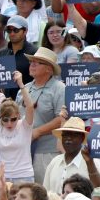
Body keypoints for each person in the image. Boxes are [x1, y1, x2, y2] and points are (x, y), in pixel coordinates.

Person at [16, 47, 65, 183]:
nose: (32, 64)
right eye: (32, 61)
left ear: (49, 69)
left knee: (45, 192)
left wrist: (37, 132)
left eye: (38, 62)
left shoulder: (59, 88)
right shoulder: (23, 89)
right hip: (22, 151)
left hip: (46, 151)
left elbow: (61, 118)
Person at [0, 71, 33, 181]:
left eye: (13, 119)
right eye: (5, 120)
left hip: (24, 176)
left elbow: (30, 107)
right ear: (0, 118)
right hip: (4, 177)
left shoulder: (24, 125)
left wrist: (21, 85)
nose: (9, 123)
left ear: (18, 116)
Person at [42, 117, 100, 193]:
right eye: (65, 135)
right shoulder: (54, 162)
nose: (68, 138)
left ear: (82, 138)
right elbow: (46, 193)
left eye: (73, 135)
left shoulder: (91, 163)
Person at [0, 15, 37, 98]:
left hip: (27, 102)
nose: (12, 33)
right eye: (9, 30)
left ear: (25, 31)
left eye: (16, 30)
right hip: (5, 103)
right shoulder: (1, 53)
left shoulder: (34, 53)